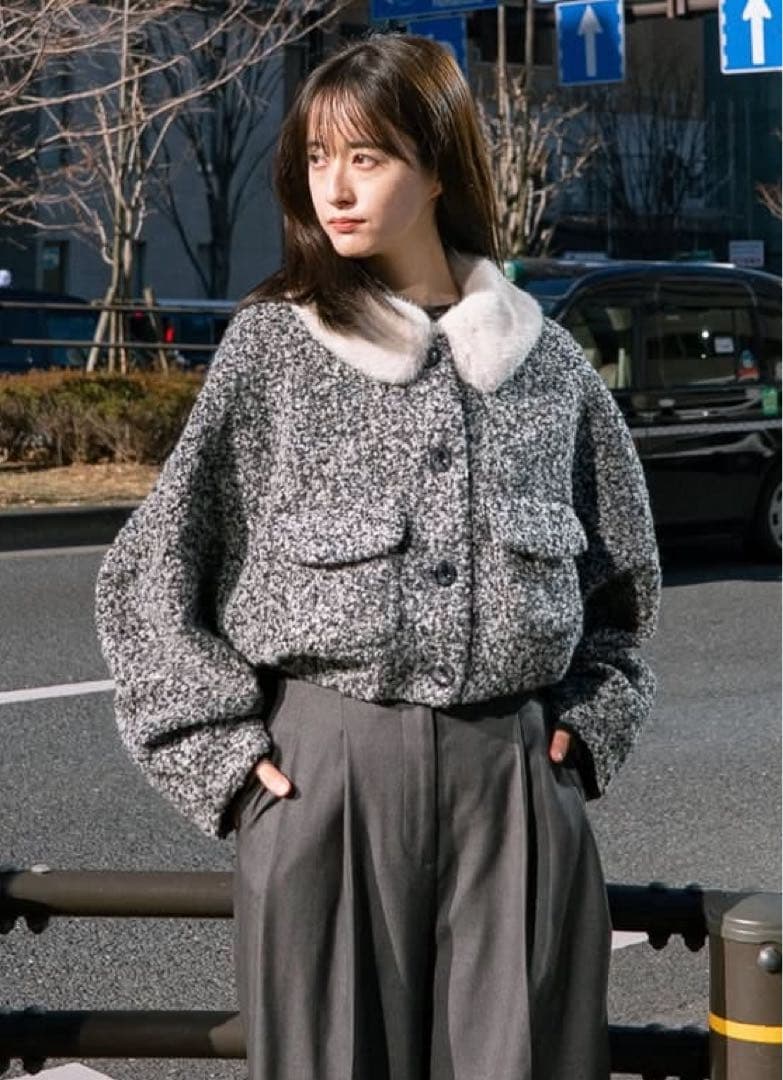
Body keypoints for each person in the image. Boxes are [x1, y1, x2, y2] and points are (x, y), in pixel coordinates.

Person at [94, 31, 661, 1080]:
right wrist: (223, 761)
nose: (336, 188)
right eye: (318, 157)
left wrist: (587, 733)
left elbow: (622, 595)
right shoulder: (275, 349)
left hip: (516, 789)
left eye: (368, 157)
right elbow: (150, 574)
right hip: (323, 783)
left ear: (438, 168)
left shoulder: (548, 368)